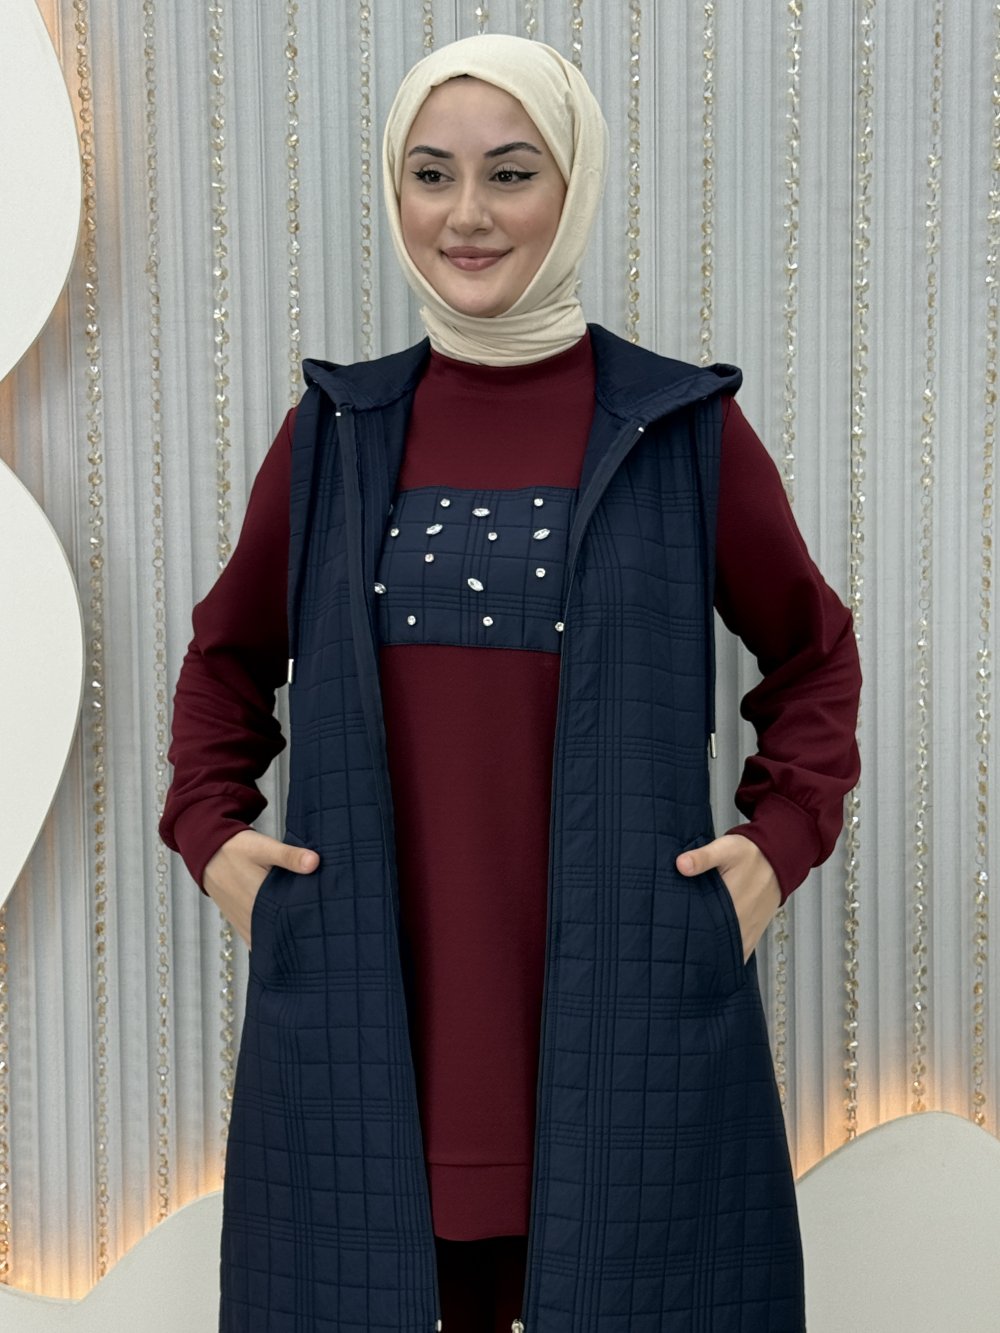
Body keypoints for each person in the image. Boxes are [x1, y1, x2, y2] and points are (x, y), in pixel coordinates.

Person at [161, 33, 861, 1333]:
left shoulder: (679, 429)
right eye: (431, 175)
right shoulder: (335, 434)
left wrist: (780, 841)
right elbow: (225, 661)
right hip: (372, 1028)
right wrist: (212, 834)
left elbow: (813, 652)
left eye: (510, 172)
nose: (466, 214)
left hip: (628, 1028)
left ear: (573, 186)